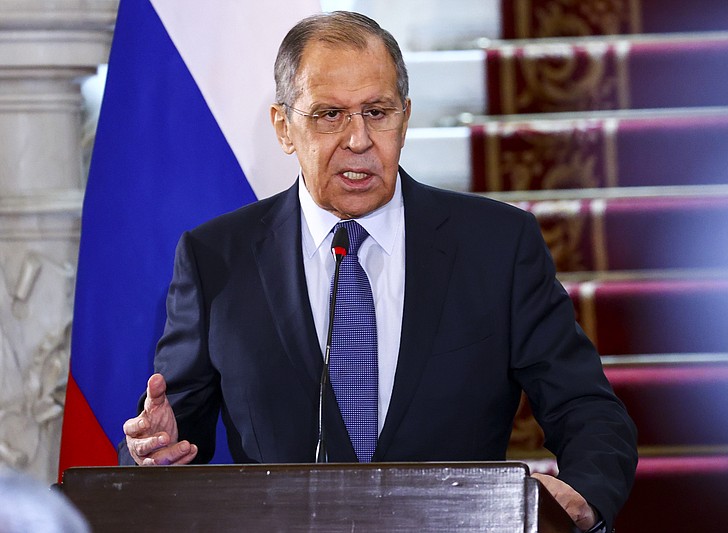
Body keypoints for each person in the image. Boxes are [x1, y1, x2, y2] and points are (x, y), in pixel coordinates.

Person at [121, 11, 637, 532]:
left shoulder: (496, 246)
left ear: (405, 118)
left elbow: (586, 409)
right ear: (284, 127)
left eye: (377, 111)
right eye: (329, 115)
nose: (359, 139)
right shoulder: (216, 259)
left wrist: (583, 496)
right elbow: (172, 437)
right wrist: (151, 452)